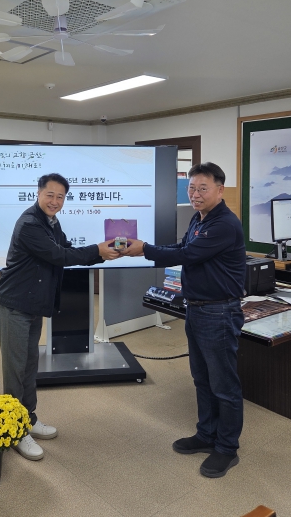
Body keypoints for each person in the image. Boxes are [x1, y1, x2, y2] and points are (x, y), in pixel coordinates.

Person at [122, 162, 246, 478]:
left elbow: (187, 255)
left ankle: (227, 448)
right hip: (197, 309)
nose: (195, 194)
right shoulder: (199, 218)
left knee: (224, 385)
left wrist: (144, 249)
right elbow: (182, 247)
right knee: (202, 378)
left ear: (220, 189)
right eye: (191, 188)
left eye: (202, 188)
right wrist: (146, 249)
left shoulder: (224, 224)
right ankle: (206, 434)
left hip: (219, 313)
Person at [0, 173, 121, 461]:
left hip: (32, 305)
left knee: (29, 366)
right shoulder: (29, 224)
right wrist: (97, 250)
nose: (55, 201)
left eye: (60, 197)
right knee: (15, 371)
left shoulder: (51, 221)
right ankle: (15, 431)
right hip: (14, 306)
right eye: (50, 195)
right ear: (38, 193)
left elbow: (66, 250)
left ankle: (28, 419)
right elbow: (58, 256)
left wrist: (102, 253)